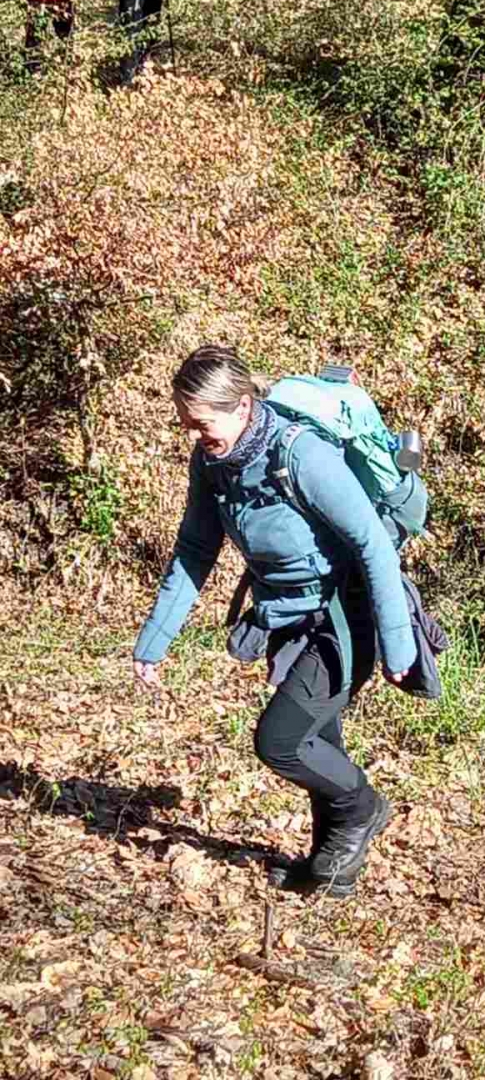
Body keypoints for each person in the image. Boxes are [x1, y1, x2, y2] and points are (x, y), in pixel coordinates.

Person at [132, 346, 415, 898]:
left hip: (345, 615)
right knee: (317, 738)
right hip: (286, 617)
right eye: (186, 424)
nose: (194, 435)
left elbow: (374, 545)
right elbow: (195, 547)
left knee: (281, 741)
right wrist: (155, 638)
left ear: (241, 407)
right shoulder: (213, 463)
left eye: (202, 423)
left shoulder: (302, 455)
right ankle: (328, 867)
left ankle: (365, 807)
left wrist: (396, 644)